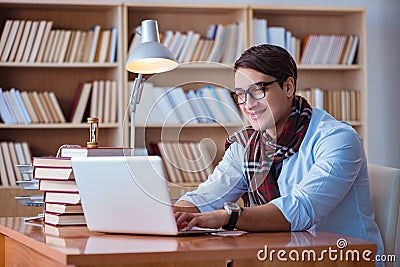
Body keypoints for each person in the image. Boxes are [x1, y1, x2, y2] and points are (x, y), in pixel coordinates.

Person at [174, 44, 383, 257]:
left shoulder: (338, 139)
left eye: (257, 90)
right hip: (280, 256)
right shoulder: (246, 146)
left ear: (288, 87)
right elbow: (207, 197)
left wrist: (230, 216)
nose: (248, 104)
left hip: (344, 259)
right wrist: (172, 214)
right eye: (240, 94)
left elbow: (301, 209)